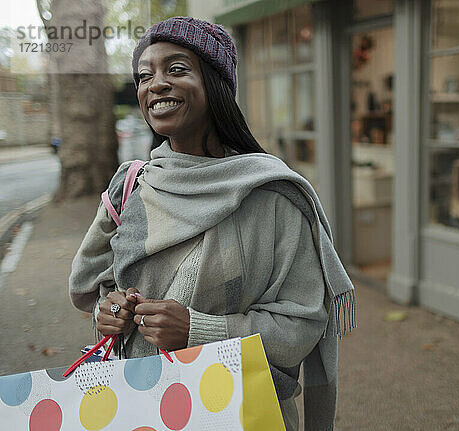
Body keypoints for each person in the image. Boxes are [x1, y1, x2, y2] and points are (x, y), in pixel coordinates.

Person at [68, 17, 356, 431]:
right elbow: (87, 286)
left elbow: (301, 326)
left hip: (241, 413)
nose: (156, 84)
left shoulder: (270, 196)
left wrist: (198, 330)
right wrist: (107, 310)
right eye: (145, 76)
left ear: (217, 84)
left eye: (177, 69)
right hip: (139, 408)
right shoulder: (130, 187)